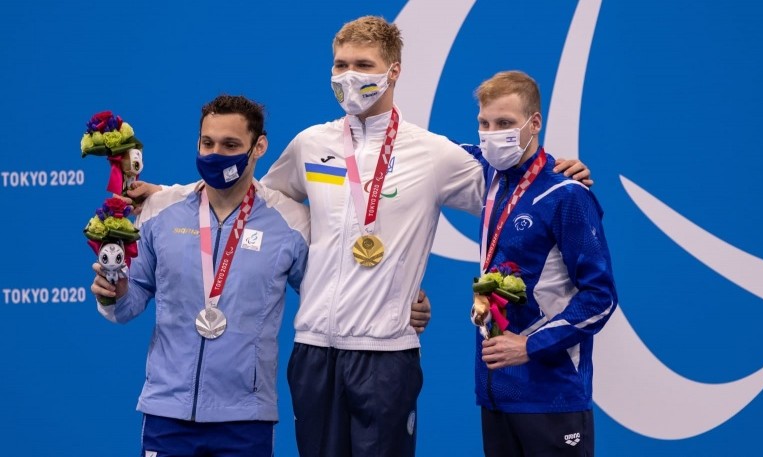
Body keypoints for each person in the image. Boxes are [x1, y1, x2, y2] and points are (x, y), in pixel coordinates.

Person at [128, 16, 590, 457]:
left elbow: (512, 194)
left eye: (363, 65)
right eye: (341, 65)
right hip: (313, 350)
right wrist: (170, 194)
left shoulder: (433, 154)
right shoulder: (311, 144)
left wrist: (557, 172)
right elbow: (252, 198)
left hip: (385, 353)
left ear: (394, 71)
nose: (350, 76)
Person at [90, 95, 310, 457]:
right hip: (167, 413)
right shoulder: (162, 211)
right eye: (207, 143)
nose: (215, 154)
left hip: (245, 419)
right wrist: (111, 294)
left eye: (230, 145)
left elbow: (330, 295)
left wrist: (402, 302)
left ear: (259, 147)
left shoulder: (291, 223)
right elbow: (127, 306)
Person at [468, 71, 618, 457]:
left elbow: (600, 297)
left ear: (535, 123)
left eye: (505, 124)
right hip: (496, 391)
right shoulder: (490, 175)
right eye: (485, 123)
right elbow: (421, 150)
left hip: (552, 394)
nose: (491, 134)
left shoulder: (567, 194)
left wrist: (532, 345)